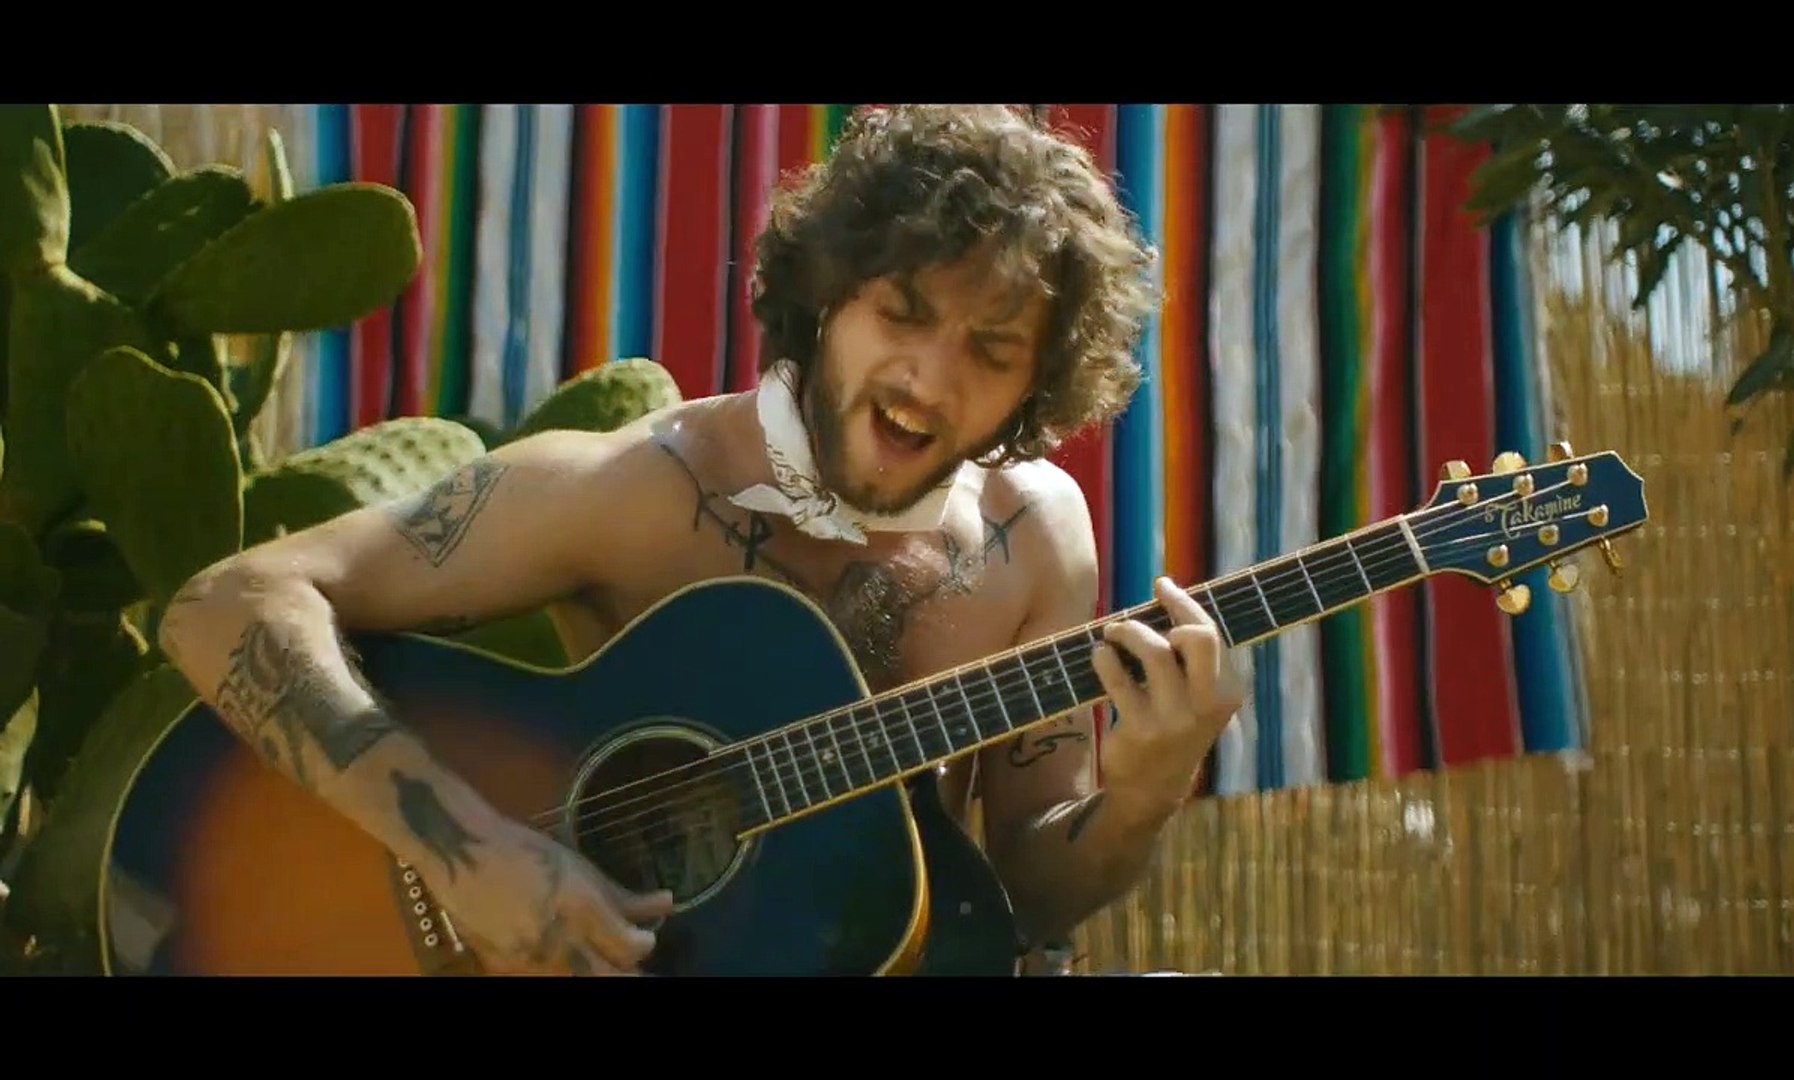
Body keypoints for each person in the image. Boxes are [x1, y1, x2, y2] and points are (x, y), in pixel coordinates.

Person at [158, 103, 1245, 976]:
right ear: (828, 297)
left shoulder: (1035, 536)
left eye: (992, 352)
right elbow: (227, 604)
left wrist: (1144, 789)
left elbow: (1028, 895)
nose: (929, 376)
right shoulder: (637, 488)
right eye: (903, 312)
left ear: (1034, 389)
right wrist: (464, 850)